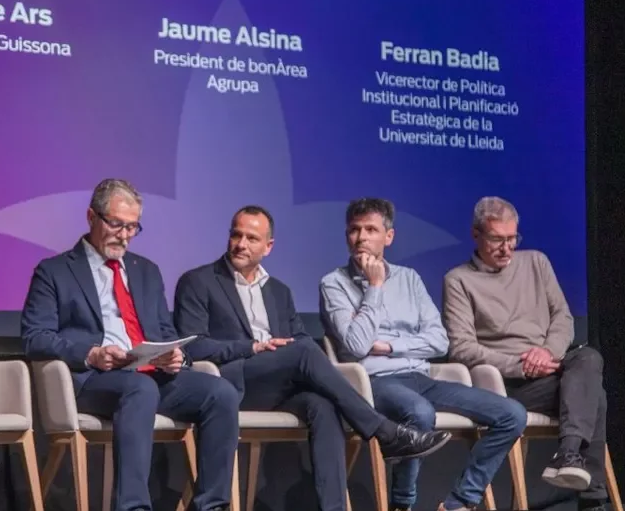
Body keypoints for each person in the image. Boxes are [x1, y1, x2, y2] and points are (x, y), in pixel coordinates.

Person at [173, 205, 451, 511]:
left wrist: (285, 353)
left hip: (276, 387)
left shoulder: (278, 291)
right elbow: (194, 346)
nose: (241, 244)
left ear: (268, 247)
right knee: (304, 352)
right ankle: (384, 432)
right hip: (230, 384)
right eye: (236, 235)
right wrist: (251, 348)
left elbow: (300, 338)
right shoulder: (198, 281)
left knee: (323, 404)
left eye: (252, 238)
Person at [20, 179, 240, 511]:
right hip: (94, 379)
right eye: (116, 224)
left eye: (133, 227)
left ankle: (211, 506)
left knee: (220, 393)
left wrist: (174, 355)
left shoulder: (146, 271)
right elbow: (35, 337)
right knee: (140, 389)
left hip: (151, 376)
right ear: (91, 217)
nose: (124, 235)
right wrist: (91, 354)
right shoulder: (54, 272)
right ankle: (134, 507)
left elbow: (164, 329)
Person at [319, 198, 527, 511]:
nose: (361, 237)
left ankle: (460, 502)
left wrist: (389, 345)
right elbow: (359, 345)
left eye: (371, 229)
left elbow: (439, 341)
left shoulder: (409, 279)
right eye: (354, 230)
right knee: (420, 413)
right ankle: (403, 504)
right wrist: (375, 286)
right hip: (373, 381)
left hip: (421, 376)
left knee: (512, 414)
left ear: (388, 237)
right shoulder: (333, 283)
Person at [442, 196, 609, 511]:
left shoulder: (536, 262)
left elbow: (562, 318)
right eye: (497, 239)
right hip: (509, 384)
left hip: (552, 366)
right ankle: (592, 496)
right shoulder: (458, 280)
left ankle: (568, 453)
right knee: (594, 395)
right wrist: (522, 365)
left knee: (588, 358)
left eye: (512, 238)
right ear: (476, 234)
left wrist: (546, 353)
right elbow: (461, 348)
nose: (507, 248)